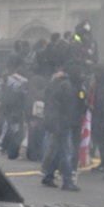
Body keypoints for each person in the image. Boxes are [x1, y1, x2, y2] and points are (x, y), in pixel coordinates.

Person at [40, 61, 87, 192]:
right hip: (63, 124)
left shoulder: (70, 85)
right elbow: (67, 109)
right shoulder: (69, 87)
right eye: (81, 73)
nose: (83, 75)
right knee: (66, 153)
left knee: (60, 151)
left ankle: (48, 176)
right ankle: (67, 181)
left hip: (63, 123)